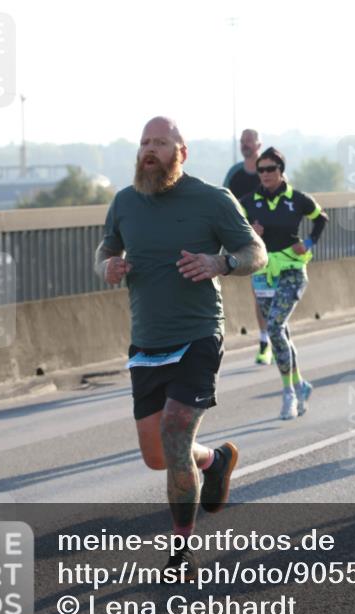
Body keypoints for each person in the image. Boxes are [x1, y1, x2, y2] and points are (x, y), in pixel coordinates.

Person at [95, 116, 267, 576]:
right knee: (159, 456)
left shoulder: (212, 199)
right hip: (147, 342)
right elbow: (105, 250)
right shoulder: (125, 202)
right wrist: (107, 267)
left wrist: (221, 261)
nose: (150, 150)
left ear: (181, 152)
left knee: (175, 432)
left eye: (160, 142)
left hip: (197, 335)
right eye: (144, 143)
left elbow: (257, 253)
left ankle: (181, 551)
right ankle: (214, 460)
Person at [238, 147, 328, 420]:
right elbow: (232, 230)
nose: (264, 174)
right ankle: (301, 385)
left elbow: (321, 219)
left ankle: (288, 393)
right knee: (281, 334)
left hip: (292, 270)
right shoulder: (248, 201)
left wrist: (309, 242)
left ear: (281, 171)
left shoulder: (297, 199)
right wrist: (250, 233)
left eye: (270, 169)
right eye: (261, 169)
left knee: (275, 328)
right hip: (264, 273)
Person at [223, 129, 274, 366]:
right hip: (250, 245)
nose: (245, 145)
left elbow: (283, 202)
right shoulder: (234, 174)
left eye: (249, 142)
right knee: (260, 294)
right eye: (242, 142)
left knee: (277, 295)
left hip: (276, 243)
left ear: (259, 144)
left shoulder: (270, 169)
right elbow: (223, 204)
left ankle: (277, 336)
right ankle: (265, 342)